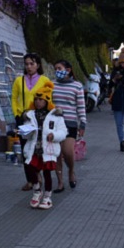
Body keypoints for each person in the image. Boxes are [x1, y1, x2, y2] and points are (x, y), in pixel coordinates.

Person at [21, 81, 67, 210]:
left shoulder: (56, 116)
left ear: (47, 100)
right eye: (36, 99)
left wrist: (54, 135)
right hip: (33, 149)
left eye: (40, 99)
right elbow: (25, 134)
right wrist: (26, 132)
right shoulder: (30, 115)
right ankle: (37, 190)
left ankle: (47, 197)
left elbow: (63, 132)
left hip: (48, 150)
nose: (38, 102)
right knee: (30, 168)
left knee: (47, 173)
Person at [11, 53, 52, 191]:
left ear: (38, 65)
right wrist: (17, 114)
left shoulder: (45, 80)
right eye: (27, 64)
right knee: (25, 150)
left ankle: (39, 175)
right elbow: (14, 98)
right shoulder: (19, 81)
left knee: (38, 148)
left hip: (40, 119)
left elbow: (49, 100)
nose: (29, 67)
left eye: (32, 64)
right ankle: (30, 179)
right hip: (23, 119)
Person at [51, 60, 86, 192]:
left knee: (67, 151)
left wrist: (82, 123)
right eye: (55, 69)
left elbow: (81, 106)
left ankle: (71, 171)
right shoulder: (51, 85)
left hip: (70, 124)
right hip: (53, 124)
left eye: (59, 68)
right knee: (56, 154)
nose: (57, 71)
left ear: (68, 70)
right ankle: (60, 182)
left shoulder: (77, 86)